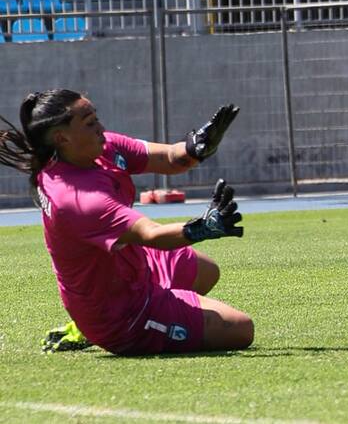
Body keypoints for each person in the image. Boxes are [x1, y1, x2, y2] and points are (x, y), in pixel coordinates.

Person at [0, 89, 254, 355]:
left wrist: (198, 146)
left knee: (206, 269)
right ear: (62, 137)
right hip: (121, 314)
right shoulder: (77, 199)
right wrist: (203, 227)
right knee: (241, 329)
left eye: (96, 118)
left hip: (130, 268)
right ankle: (118, 326)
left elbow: (169, 158)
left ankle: (165, 308)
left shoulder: (100, 148)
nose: (101, 128)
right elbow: (152, 235)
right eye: (90, 123)